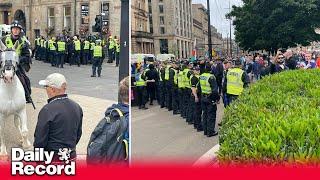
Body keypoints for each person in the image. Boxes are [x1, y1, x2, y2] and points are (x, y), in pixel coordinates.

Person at [34, 73, 83, 162]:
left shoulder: (47, 110)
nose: (45, 90)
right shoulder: (77, 107)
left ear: (52, 89)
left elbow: (40, 140)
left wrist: (38, 160)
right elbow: (78, 134)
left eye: (46, 87)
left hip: (52, 159)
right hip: (70, 156)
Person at [1, 20, 32, 103]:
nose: (15, 30)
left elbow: (26, 56)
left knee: (24, 80)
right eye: (14, 29)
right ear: (11, 30)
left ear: (19, 31)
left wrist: (18, 60)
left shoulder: (23, 42)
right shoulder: (4, 39)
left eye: (17, 29)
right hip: (4, 63)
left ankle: (27, 96)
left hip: (17, 64)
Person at [198, 62, 220, 137]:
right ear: (211, 68)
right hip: (210, 98)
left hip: (203, 97)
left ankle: (205, 130)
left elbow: (199, 88)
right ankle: (210, 132)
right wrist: (217, 99)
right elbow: (214, 90)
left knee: (205, 114)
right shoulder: (211, 77)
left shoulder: (201, 76)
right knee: (211, 115)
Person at [190, 66, 202, 131]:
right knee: (197, 111)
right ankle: (198, 126)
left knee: (196, 111)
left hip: (196, 95)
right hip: (196, 96)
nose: (198, 71)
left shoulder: (196, 77)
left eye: (198, 70)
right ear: (194, 71)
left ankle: (196, 124)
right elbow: (193, 88)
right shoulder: (194, 78)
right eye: (196, 70)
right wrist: (196, 96)